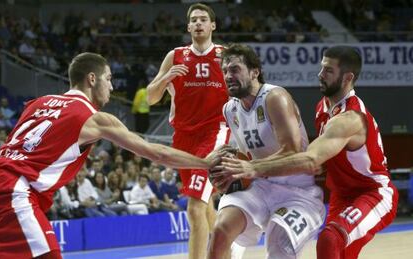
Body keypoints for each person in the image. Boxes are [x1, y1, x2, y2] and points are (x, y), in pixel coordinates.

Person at [0, 52, 228, 259]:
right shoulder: (95, 119)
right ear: (92, 79)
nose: (111, 86)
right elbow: (155, 153)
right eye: (108, 79)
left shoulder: (36, 104)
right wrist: (204, 162)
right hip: (15, 192)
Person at [220, 46, 399, 259]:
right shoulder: (322, 107)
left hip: (372, 192)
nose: (320, 75)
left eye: (328, 71)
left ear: (347, 78)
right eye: (321, 68)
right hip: (341, 195)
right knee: (335, 249)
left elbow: (310, 158)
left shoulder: (350, 118)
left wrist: (251, 168)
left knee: (330, 239)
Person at [207, 43, 325, 259]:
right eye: (224, 71)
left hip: (297, 192)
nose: (227, 76)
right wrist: (228, 160)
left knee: (278, 248)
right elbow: (245, 155)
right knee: (220, 231)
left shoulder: (274, 97)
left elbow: (293, 152)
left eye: (234, 69)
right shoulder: (230, 109)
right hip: (259, 186)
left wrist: (248, 168)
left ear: (255, 72)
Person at [146, 3, 233, 259]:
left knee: (195, 206)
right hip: (183, 138)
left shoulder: (225, 55)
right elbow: (151, 98)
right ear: (188, 27)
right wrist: (165, 78)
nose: (198, 23)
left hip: (215, 133)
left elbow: (244, 93)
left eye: (203, 19)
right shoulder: (175, 56)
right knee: (205, 207)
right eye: (193, 20)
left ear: (212, 25)